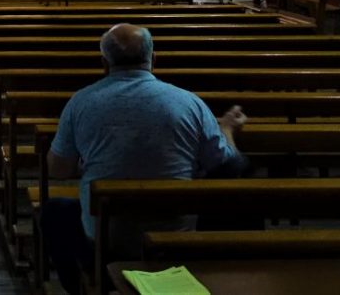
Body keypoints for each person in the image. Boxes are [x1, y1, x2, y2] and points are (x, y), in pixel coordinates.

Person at [41, 25, 247, 295]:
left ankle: (84, 285)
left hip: (107, 239)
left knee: (54, 212)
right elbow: (226, 164)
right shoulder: (188, 102)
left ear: (104, 63)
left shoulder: (82, 102)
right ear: (153, 59)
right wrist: (228, 130)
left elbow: (58, 169)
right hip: (177, 234)